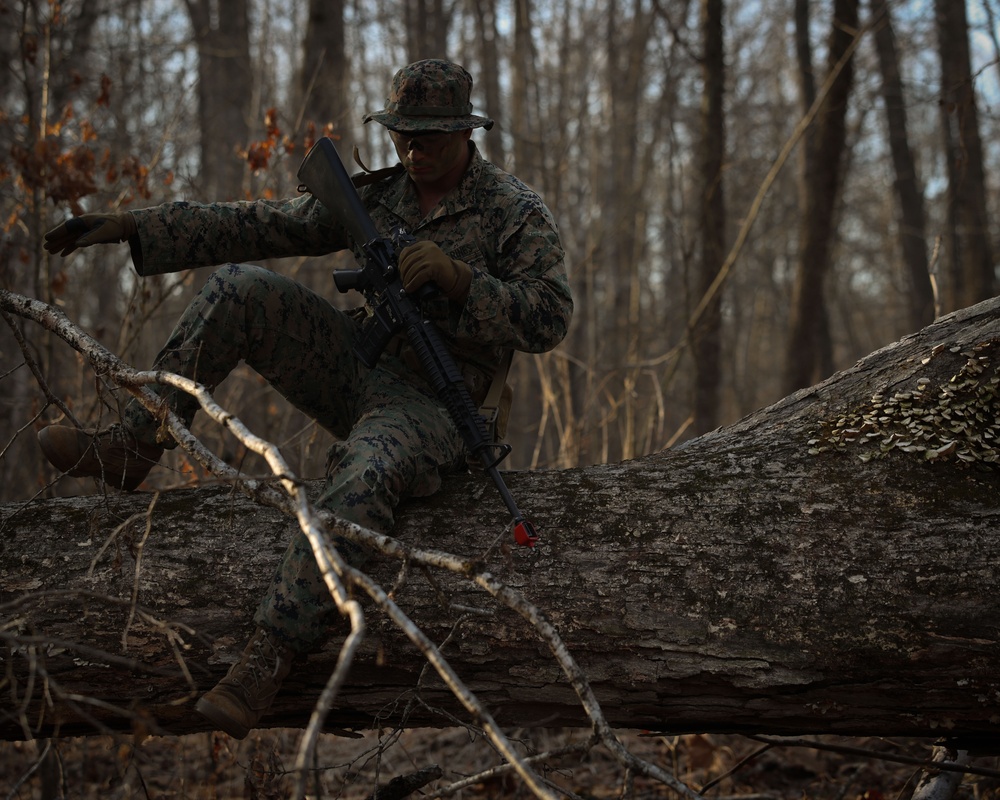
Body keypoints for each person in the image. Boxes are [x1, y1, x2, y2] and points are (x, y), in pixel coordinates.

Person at [39, 59, 573, 738]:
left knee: (368, 469)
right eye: (402, 133)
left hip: (438, 407)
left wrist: (464, 282)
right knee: (240, 287)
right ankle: (134, 443)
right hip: (359, 364)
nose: (412, 148)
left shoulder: (513, 212)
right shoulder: (383, 196)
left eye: (429, 136)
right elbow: (263, 223)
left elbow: (550, 317)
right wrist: (135, 227)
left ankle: (267, 656)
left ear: (466, 133)